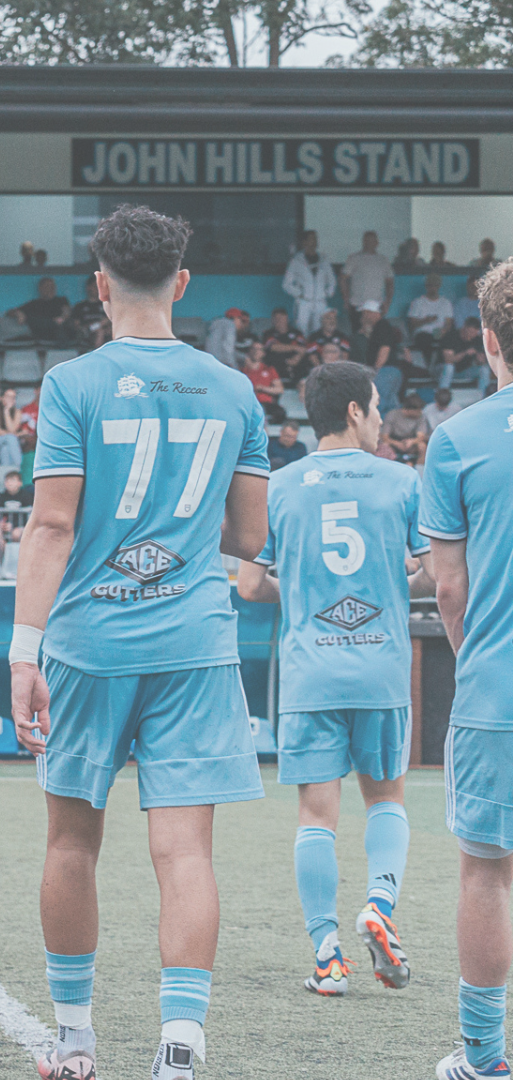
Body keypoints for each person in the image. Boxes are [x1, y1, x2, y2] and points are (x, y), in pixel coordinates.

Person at [12, 205, 269, 1080]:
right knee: (186, 851)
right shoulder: (236, 391)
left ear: (100, 285)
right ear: (183, 284)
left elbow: (51, 526)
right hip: (195, 644)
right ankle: (180, 1049)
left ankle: (77, 1040)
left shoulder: (71, 383)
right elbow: (247, 537)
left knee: (71, 844)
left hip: (88, 646)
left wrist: (22, 651)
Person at [233, 361, 427, 999]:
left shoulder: (280, 486)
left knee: (317, 815)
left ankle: (327, 956)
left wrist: (311, 591)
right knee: (387, 799)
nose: (379, 420)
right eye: (375, 407)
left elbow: (251, 584)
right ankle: (379, 903)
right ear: (352, 411)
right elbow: (429, 572)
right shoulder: (402, 481)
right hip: (380, 670)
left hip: (311, 673)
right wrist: (387, 584)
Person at [420, 260, 513, 1080]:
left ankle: (485, 1060)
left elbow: (449, 587)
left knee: (487, 873)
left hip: (497, 687)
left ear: (487, 341)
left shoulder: (456, 439)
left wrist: (478, 655)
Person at [283, 229, 337, 334]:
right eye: (312, 239)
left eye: (316, 239)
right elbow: (286, 284)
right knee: (301, 331)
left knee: (319, 332)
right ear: (304, 242)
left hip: (320, 302)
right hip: (304, 302)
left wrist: (327, 293)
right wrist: (300, 293)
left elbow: (332, 281)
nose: (315, 241)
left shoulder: (324, 259)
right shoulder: (296, 260)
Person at [341, 230, 395, 319]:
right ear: (363, 242)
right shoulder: (354, 258)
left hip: (377, 306)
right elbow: (343, 279)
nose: (370, 243)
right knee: (358, 332)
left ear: (377, 243)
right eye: (367, 240)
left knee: (377, 332)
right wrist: (346, 299)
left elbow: (390, 283)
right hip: (357, 304)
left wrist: (387, 302)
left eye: (372, 240)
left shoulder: (383, 260)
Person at [8, 276, 71, 342]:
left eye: (53, 286)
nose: (51, 289)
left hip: (58, 330)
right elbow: (9, 312)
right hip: (42, 332)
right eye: (47, 287)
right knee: (33, 320)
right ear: (40, 288)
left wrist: (62, 318)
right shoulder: (34, 304)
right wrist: (18, 313)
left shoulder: (61, 300)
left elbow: (67, 312)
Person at [382, 391, 430, 465]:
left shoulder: (421, 417)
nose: (420, 412)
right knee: (384, 446)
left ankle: (420, 471)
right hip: (394, 442)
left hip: (411, 443)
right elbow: (385, 437)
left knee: (422, 446)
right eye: (418, 410)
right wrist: (397, 444)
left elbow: (421, 436)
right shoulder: (392, 415)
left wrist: (412, 441)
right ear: (409, 409)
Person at [243, 342, 286, 423]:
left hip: (266, 403)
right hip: (248, 403)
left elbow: (280, 389)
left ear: (263, 353)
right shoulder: (242, 370)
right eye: (254, 349)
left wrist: (262, 388)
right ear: (249, 351)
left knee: (280, 412)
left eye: (259, 349)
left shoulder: (269, 369)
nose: (256, 352)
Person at [260, 308, 308, 380]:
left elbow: (303, 348)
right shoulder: (268, 333)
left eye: (282, 318)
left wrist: (297, 358)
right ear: (272, 320)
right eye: (276, 319)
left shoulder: (296, 332)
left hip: (296, 365)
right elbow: (273, 347)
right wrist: (295, 347)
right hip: (276, 365)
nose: (279, 321)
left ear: (287, 319)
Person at [441, 318, 488, 389]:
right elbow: (449, 360)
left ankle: (485, 396)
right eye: (471, 332)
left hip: (464, 371)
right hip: (442, 370)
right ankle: (443, 394)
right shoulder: (451, 336)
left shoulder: (476, 339)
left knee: (484, 369)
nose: (472, 335)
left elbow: (482, 362)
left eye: (475, 333)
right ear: (464, 328)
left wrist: (480, 359)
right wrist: (465, 353)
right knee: (449, 368)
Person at [0, 385, 26, 468]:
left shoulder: (17, 412)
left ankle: (8, 475)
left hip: (7, 445)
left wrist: (6, 411)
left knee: (5, 450)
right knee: (10, 438)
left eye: (13, 397)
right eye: (8, 397)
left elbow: (12, 430)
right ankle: (20, 468)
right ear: (2, 398)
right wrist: (16, 434)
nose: (11, 400)